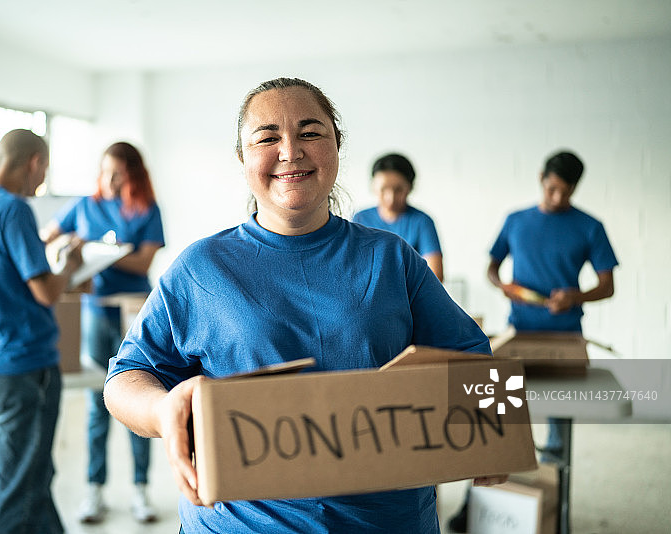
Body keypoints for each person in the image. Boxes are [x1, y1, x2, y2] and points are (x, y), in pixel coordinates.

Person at [102, 77, 505, 534]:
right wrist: (162, 410)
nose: (291, 151)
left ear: (337, 147)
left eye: (310, 133)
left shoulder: (392, 258)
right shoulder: (200, 268)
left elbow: (471, 356)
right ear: (242, 157)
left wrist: (492, 429)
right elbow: (125, 378)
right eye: (267, 138)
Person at [447, 150, 619, 533]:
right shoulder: (516, 220)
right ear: (542, 178)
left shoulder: (590, 226)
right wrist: (502, 285)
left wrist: (576, 297)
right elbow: (492, 268)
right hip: (518, 334)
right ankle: (472, 506)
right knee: (493, 419)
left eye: (566, 192)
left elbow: (607, 285)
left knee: (557, 432)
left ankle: (554, 512)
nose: (558, 198)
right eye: (553, 188)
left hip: (565, 339)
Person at [0, 128, 83, 533]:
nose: (41, 182)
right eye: (43, 171)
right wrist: (69, 265)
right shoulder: (14, 210)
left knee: (32, 479)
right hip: (22, 370)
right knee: (20, 491)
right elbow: (46, 291)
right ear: (35, 162)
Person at [43, 142, 165, 524]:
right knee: (96, 403)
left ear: (134, 175)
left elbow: (144, 261)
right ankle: (94, 489)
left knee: (140, 399)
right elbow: (48, 236)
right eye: (106, 172)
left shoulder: (147, 209)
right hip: (95, 314)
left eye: (119, 175)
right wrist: (70, 246)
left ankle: (140, 490)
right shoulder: (84, 206)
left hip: (135, 315)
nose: (110, 181)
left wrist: (105, 251)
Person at [353, 153, 444, 281]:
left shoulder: (422, 222)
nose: (390, 198)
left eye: (399, 190)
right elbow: (354, 268)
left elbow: (436, 276)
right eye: (383, 189)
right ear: (373, 186)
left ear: (410, 187)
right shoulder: (360, 219)